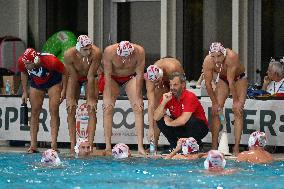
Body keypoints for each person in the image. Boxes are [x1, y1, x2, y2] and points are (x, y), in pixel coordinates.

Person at [100, 41, 146, 155]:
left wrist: (139, 96)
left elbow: (140, 75)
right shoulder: (109, 51)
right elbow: (107, 75)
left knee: (138, 107)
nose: (126, 58)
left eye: (128, 56)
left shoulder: (139, 51)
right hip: (112, 78)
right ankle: (107, 146)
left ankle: (140, 147)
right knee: (108, 108)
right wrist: (108, 97)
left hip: (131, 77)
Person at [18, 48, 67, 153]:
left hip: (54, 82)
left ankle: (54, 144)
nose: (26, 66)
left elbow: (65, 72)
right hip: (37, 83)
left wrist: (64, 90)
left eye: (28, 64)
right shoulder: (22, 61)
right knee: (35, 111)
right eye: (25, 63)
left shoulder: (51, 61)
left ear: (35, 60)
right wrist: (25, 91)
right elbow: (23, 72)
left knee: (53, 110)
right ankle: (33, 145)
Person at [202, 42, 248, 155]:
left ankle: (236, 147)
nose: (216, 60)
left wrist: (236, 101)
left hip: (238, 78)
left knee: (238, 111)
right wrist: (214, 103)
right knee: (216, 111)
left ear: (224, 54)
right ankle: (214, 146)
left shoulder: (231, 57)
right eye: (213, 57)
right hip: (222, 79)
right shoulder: (208, 61)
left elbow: (231, 81)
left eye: (219, 56)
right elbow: (207, 84)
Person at [64, 35, 102, 155]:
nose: (89, 51)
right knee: (70, 108)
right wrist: (70, 98)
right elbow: (73, 77)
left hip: (90, 78)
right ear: (79, 48)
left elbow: (91, 76)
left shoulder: (96, 53)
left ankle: (89, 146)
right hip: (75, 77)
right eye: (85, 50)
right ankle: (72, 145)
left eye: (90, 48)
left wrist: (90, 98)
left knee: (92, 108)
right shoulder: (69, 55)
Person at [153, 72, 209, 151]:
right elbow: (156, 117)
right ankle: (175, 146)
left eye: (175, 85)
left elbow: (184, 120)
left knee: (191, 121)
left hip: (199, 128)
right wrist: (163, 102)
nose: (172, 88)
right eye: (171, 85)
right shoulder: (168, 96)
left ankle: (196, 145)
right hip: (181, 126)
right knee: (160, 119)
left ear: (183, 85)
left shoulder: (190, 96)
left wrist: (170, 122)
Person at [144, 57, 184, 147]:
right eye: (153, 82)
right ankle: (154, 145)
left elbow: (182, 87)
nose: (155, 84)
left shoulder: (173, 68)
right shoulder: (149, 77)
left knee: (179, 107)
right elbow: (150, 105)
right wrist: (150, 128)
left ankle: (182, 142)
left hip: (175, 79)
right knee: (157, 110)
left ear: (161, 75)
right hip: (164, 80)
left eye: (157, 81)